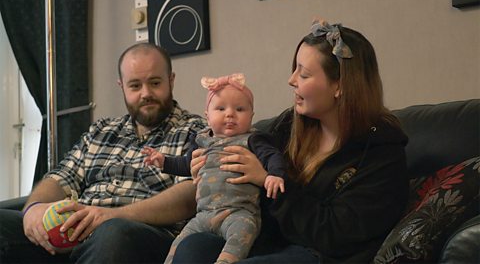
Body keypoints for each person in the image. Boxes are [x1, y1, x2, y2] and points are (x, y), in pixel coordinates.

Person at [172, 19, 409, 263]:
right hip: (271, 243)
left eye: (303, 73)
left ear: (339, 86)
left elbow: (333, 234)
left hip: (320, 254)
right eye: (295, 69)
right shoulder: (290, 125)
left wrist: (267, 180)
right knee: (194, 247)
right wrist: (209, 169)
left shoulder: (381, 154)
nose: (291, 80)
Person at [0, 42, 206, 263]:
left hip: (140, 237)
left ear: (171, 80)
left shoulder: (196, 131)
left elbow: (190, 194)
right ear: (122, 87)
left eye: (155, 83)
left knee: (113, 233)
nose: (146, 93)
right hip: (74, 234)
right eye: (135, 86)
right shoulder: (101, 131)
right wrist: (32, 208)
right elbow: (61, 177)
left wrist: (111, 216)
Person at [142, 73, 286, 264]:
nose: (230, 114)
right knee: (179, 245)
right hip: (203, 215)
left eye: (240, 109)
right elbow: (186, 164)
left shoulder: (252, 139)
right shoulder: (201, 140)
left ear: (251, 116)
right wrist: (164, 162)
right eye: (221, 108)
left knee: (242, 235)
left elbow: (273, 156)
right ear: (207, 116)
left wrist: (274, 175)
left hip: (239, 212)